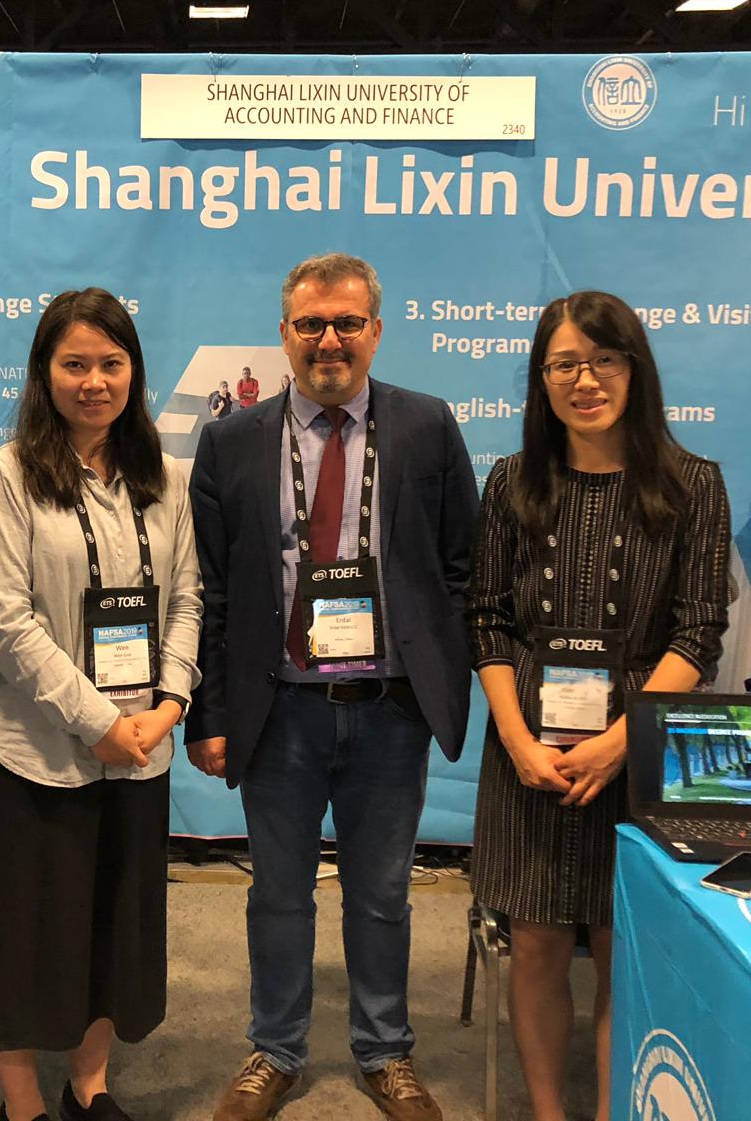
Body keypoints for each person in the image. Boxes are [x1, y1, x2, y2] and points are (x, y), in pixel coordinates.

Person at [188, 253, 478, 1121]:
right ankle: (275, 1050)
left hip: (390, 711)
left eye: (347, 323)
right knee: (278, 894)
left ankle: (385, 1052)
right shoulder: (232, 440)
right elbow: (211, 590)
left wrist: (437, 676)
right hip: (278, 710)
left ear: (375, 332)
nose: (329, 340)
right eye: (311, 324)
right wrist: (209, 714)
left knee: (382, 896)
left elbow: (461, 565)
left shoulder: (428, 425)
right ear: (284, 334)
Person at [467, 290, 731, 1121]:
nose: (585, 381)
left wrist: (621, 741)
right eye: (564, 365)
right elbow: (487, 620)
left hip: (639, 750)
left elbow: (700, 632)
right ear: (541, 380)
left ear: (634, 368)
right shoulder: (512, 483)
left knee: (626, 946)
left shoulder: (693, 485)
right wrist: (516, 740)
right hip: (530, 750)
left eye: (603, 360)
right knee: (538, 942)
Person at [0, 289, 202, 1121]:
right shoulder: (6, 477)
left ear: (134, 371)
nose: (94, 382)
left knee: (110, 938)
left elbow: (187, 599)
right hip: (35, 756)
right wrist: (96, 723)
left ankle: (88, 1088)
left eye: (111, 363)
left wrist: (169, 705)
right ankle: (23, 1106)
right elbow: (5, 620)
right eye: (74, 364)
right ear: (45, 373)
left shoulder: (166, 478)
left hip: (139, 752)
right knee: (22, 948)